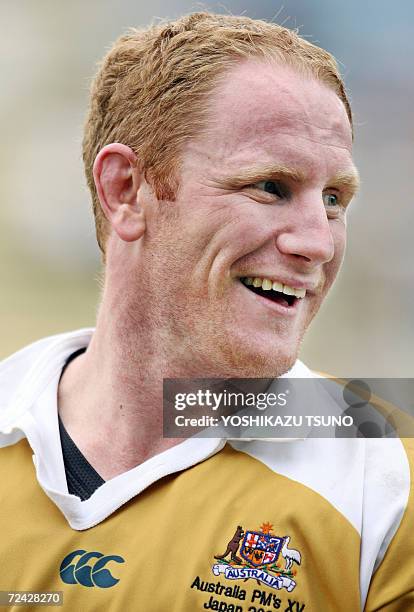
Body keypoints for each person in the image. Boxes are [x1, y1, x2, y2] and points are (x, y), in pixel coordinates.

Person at [0, 12, 412, 611]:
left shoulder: (389, 485)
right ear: (125, 191)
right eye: (271, 187)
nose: (317, 243)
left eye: (334, 200)